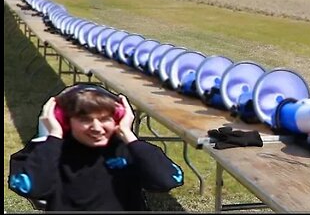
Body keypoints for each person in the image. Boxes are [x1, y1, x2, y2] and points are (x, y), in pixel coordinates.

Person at [8, 84, 184, 211]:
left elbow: (167, 180)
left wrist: (129, 135)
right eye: (85, 120)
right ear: (65, 121)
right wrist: (53, 136)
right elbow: (33, 187)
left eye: (105, 119)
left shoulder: (128, 150)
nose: (97, 128)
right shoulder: (46, 152)